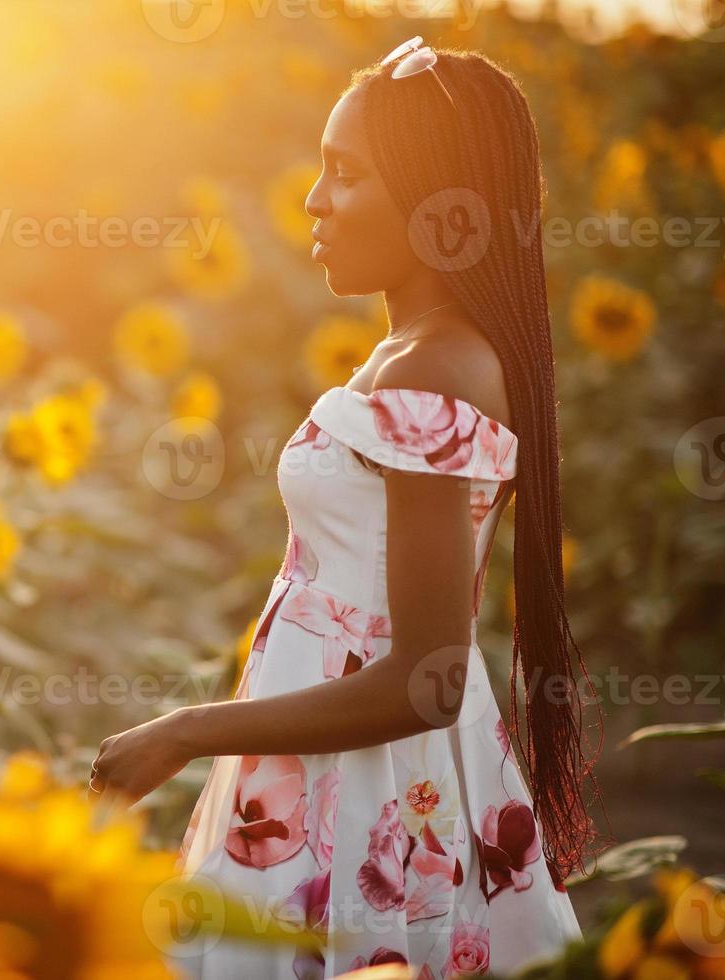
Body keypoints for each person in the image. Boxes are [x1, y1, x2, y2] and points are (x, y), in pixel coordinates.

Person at [87, 39, 599, 977]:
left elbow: (427, 678)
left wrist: (186, 730)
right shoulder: (419, 355)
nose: (315, 202)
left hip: (363, 792)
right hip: (333, 764)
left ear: (439, 208)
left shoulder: (433, 370)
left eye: (344, 174)